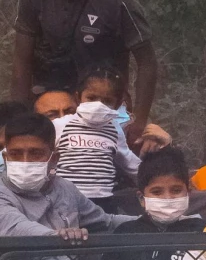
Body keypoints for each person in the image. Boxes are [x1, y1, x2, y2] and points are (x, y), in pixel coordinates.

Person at [10, 0, 158, 145]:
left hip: (102, 110)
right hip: (52, 106)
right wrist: (17, 119)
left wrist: (139, 121)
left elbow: (147, 61)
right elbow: (21, 60)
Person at [0, 106, 125, 260]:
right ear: (6, 157)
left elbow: (106, 221)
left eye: (35, 153)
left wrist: (147, 217)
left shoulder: (66, 189)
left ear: (54, 158)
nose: (25, 161)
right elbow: (15, 229)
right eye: (16, 154)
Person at [52, 65, 143, 208]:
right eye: (92, 98)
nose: (98, 105)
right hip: (65, 199)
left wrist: (152, 177)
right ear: (78, 98)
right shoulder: (60, 125)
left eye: (107, 101)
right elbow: (44, 157)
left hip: (103, 201)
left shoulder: (115, 128)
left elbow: (128, 160)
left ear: (117, 104)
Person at [133, 147, 206, 260]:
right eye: (157, 192)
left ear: (188, 193)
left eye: (176, 190)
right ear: (141, 198)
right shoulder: (126, 232)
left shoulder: (201, 231)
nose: (168, 198)